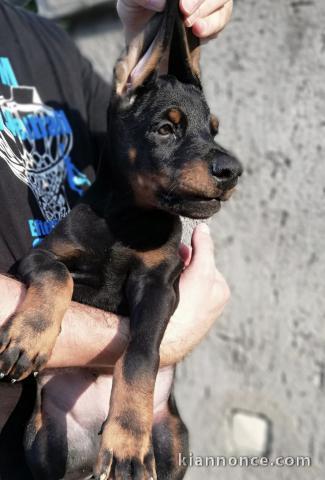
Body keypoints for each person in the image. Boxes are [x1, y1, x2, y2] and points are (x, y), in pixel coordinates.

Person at [0, 0, 233, 475]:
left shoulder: (47, 39)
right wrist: (168, 335)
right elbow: (45, 262)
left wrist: (148, 19)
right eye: (171, 130)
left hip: (140, 431)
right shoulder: (84, 225)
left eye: (207, 135)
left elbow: (134, 109)